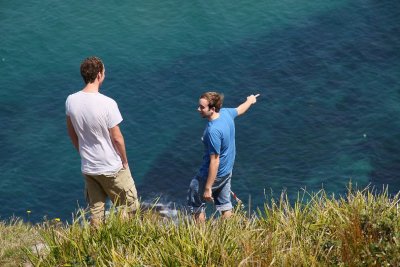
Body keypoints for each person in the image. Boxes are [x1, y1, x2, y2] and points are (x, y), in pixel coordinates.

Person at [65, 56, 139, 226]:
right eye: (104, 72)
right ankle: (122, 243)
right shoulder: (108, 103)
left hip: (89, 167)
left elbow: (71, 132)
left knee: (96, 212)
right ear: (99, 75)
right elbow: (117, 137)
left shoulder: (71, 100)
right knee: (129, 207)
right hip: (111, 166)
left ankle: (95, 249)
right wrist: (125, 161)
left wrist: (83, 152)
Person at [187, 91, 259, 222]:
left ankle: (200, 238)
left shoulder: (213, 131)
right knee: (225, 205)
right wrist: (250, 100)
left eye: (202, 107)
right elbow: (240, 109)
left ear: (212, 109)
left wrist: (208, 188)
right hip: (226, 172)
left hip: (213, 175)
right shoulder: (226, 113)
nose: (198, 109)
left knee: (196, 202)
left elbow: (214, 161)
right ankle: (230, 233)